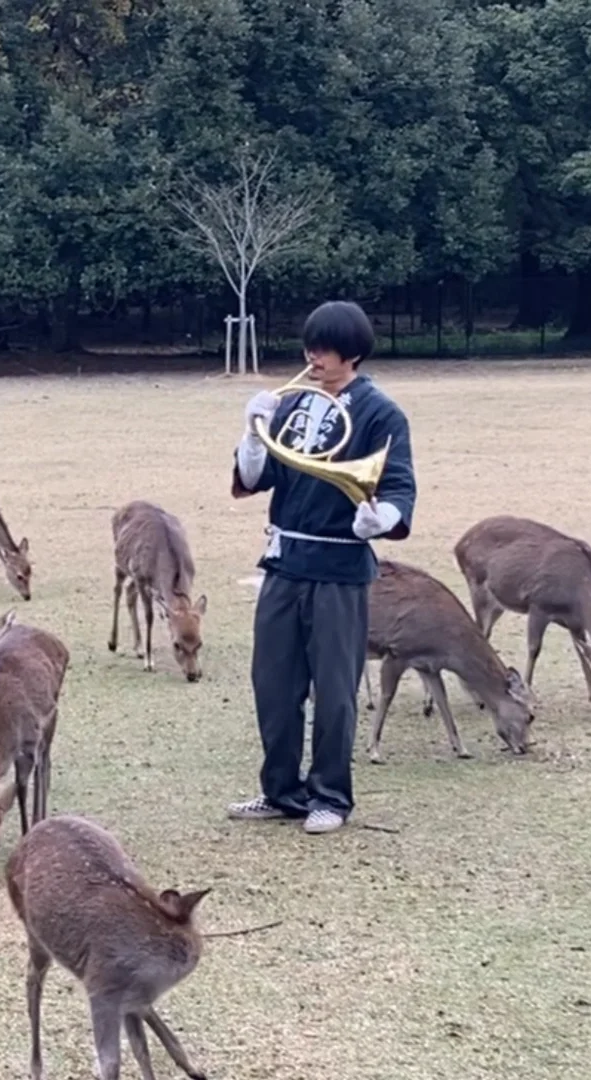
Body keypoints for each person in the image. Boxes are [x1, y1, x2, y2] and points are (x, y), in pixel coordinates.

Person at [226, 300, 416, 835]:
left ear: (352, 353)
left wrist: (380, 519)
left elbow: (399, 487)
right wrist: (251, 433)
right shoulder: (292, 406)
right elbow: (255, 479)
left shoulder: (381, 413)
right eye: (310, 347)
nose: (314, 357)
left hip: (339, 568)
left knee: (334, 691)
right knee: (273, 684)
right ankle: (280, 791)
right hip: (284, 563)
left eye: (325, 349)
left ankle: (330, 795)